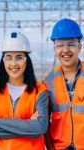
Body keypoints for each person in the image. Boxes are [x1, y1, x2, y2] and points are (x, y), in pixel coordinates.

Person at [0, 31, 49, 150]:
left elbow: (40, 127)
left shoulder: (40, 91)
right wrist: (27, 128)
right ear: (3, 61)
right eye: (8, 57)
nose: (13, 63)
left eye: (19, 58)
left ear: (27, 60)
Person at [44, 18, 84, 150]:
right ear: (54, 49)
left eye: (71, 44)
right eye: (60, 45)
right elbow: (44, 124)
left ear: (79, 47)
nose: (65, 50)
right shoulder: (48, 82)